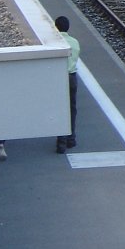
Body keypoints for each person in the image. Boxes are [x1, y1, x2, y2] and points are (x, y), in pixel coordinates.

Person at [54, 16, 80, 154]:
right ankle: (71, 138)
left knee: (60, 109)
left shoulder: (54, 43)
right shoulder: (74, 42)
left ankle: (61, 143)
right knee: (72, 109)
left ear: (55, 27)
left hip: (59, 77)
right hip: (72, 77)